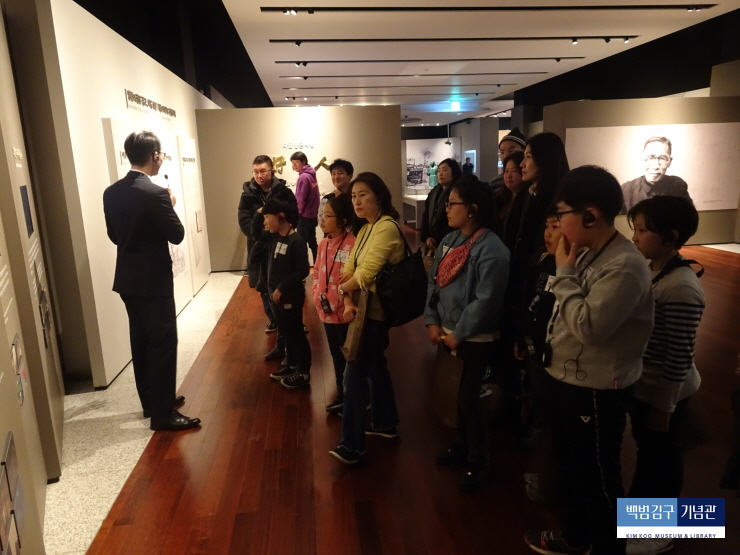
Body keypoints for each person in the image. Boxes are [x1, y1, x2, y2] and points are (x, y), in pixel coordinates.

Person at [524, 166, 654, 555]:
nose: (557, 223)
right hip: (569, 380)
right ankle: (575, 537)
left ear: (590, 215)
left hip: (597, 389)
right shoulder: (587, 251)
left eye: (562, 214)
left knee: (598, 475)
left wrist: (564, 271)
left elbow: (588, 326)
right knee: (569, 467)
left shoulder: (624, 265)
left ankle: (608, 546)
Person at [103, 131, 200, 432]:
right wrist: (169, 204)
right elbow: (177, 234)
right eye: (161, 155)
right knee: (163, 343)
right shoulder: (157, 194)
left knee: (141, 341)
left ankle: (152, 402)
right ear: (155, 155)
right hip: (154, 282)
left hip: (127, 280)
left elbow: (114, 236)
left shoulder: (111, 192)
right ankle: (162, 414)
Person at [626, 196, 705, 555]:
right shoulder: (655, 270)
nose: (635, 237)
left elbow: (679, 356)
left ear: (671, 237)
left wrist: (664, 405)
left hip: (664, 391)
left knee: (662, 459)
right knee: (650, 454)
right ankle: (637, 521)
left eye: (643, 230)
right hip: (647, 385)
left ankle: (659, 531)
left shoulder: (681, 287)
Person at [425, 176, 510, 491]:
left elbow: (486, 301)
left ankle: (479, 460)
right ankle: (462, 446)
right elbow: (434, 281)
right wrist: (432, 321)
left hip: (474, 338)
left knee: (468, 399)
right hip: (447, 333)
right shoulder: (450, 240)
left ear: (472, 209)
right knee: (454, 396)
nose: (446, 209)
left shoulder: (492, 249)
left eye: (452, 204)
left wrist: (459, 334)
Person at [329, 172, 405, 465]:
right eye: (354, 196)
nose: (357, 201)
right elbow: (349, 269)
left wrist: (343, 289)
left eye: (363, 194)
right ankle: (386, 423)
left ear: (380, 196)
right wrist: (348, 293)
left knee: (354, 374)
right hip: (364, 309)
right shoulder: (365, 229)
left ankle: (352, 445)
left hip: (375, 313)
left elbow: (366, 273)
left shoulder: (386, 227)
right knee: (375, 367)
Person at [496, 132, 570, 426]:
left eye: (527, 156)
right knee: (512, 343)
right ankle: (513, 405)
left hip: (543, 278)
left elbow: (546, 249)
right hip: (518, 278)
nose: (521, 164)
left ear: (545, 159)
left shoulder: (556, 198)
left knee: (537, 348)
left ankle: (536, 420)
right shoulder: (527, 194)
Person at [251, 199, 312, 389]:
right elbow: (255, 234)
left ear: (281, 217)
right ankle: (291, 365)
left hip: (290, 296)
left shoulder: (297, 241)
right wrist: (259, 213)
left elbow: (302, 270)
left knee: (296, 333)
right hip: (276, 296)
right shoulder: (274, 237)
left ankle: (303, 373)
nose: (265, 222)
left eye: (267, 217)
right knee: (286, 332)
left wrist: (281, 288)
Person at [238, 154, 298, 338]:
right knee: (263, 284)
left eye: (263, 171)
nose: (259, 175)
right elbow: (244, 221)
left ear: (272, 171)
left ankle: (293, 319)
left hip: (282, 244)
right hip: (259, 245)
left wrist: (278, 231)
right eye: (256, 172)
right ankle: (273, 319)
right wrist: (262, 234)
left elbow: (294, 215)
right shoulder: (247, 195)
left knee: (285, 282)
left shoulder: (284, 192)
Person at [311, 194, 356, 413]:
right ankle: (342, 392)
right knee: (335, 353)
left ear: (342, 220)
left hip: (344, 311)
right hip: (325, 309)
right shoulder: (323, 244)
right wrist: (315, 293)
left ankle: (353, 395)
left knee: (348, 355)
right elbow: (316, 272)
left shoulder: (352, 244)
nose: (322, 219)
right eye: (322, 214)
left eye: (328, 215)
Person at [621, 137, 692, 213]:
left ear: (669, 162)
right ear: (643, 160)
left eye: (662, 158)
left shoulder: (677, 186)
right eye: (650, 158)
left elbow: (688, 216)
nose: (655, 166)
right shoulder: (626, 189)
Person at [420, 158, 463, 254]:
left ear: (454, 172)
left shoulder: (459, 192)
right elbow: (426, 214)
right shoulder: (435, 192)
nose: (440, 173)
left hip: (451, 241)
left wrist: (437, 238)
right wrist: (427, 236)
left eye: (444, 170)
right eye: (439, 171)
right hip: (432, 240)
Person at [291, 151, 320, 262]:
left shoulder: (303, 177)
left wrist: (297, 214)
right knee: (313, 242)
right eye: (293, 163)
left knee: (301, 244)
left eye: (296, 162)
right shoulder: (311, 175)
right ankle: (318, 265)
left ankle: (302, 268)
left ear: (303, 162)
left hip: (304, 216)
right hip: (313, 216)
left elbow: (300, 200)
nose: (294, 166)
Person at [492, 150, 525, 235]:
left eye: (514, 171)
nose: (509, 176)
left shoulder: (526, 201)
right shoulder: (500, 198)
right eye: (506, 171)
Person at [490, 127, 526, 192]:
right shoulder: (495, 183)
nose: (505, 156)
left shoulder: (530, 181)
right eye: (502, 152)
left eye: (511, 151)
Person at [318, 158, 354, 222]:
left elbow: (354, 218)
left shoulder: (355, 197)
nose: (336, 177)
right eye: (333, 174)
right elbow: (321, 220)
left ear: (350, 176)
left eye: (340, 173)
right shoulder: (327, 198)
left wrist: (341, 199)